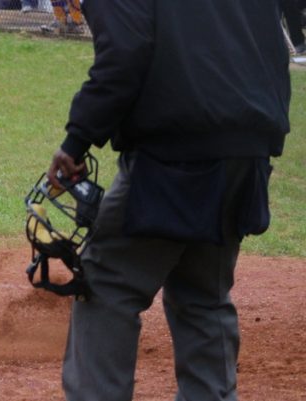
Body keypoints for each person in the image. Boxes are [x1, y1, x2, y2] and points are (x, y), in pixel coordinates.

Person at [45, 0, 290, 399]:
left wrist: (77, 140)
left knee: (107, 283)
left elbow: (124, 55)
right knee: (204, 295)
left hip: (172, 156)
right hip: (248, 149)